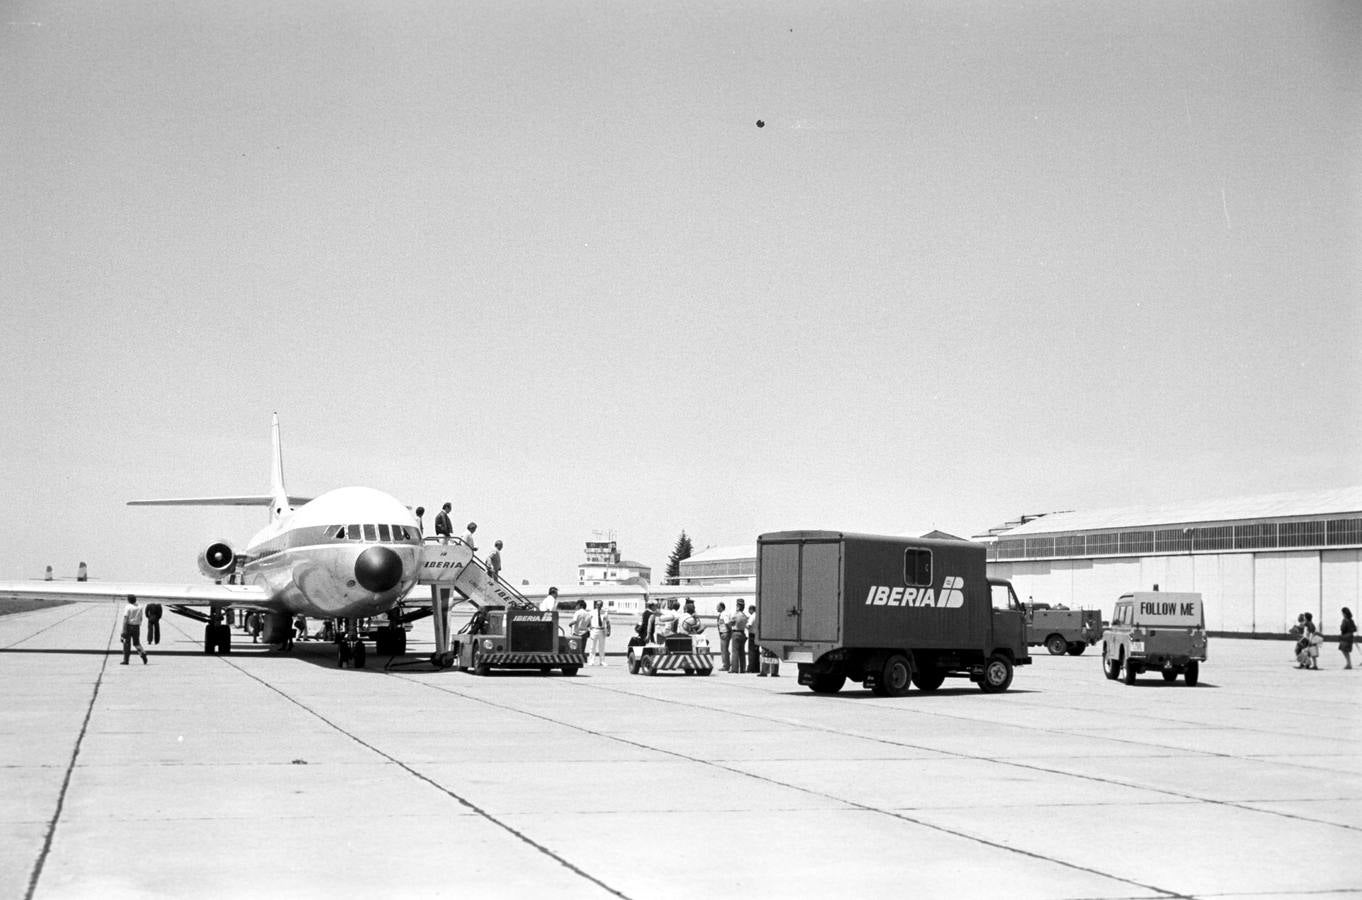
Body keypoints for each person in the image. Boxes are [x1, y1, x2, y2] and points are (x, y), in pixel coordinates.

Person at [121, 594, 148, 665]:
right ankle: (143, 654)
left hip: (129, 626)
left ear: (128, 600)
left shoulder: (128, 607)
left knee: (127, 643)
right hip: (136, 627)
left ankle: (126, 660)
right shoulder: (139, 607)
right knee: (136, 643)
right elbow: (141, 617)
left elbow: (125, 619)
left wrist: (123, 630)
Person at [588, 599, 612, 666]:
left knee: (602, 647)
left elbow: (608, 622)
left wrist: (609, 631)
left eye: (601, 605)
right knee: (592, 647)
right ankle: (591, 661)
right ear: (596, 605)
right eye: (598, 605)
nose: (599, 606)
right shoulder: (592, 612)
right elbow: (588, 620)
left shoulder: (605, 612)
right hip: (594, 630)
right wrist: (589, 628)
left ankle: (602, 661)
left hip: (602, 630)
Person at [728, 600, 748, 673]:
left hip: (736, 633)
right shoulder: (744, 616)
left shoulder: (736, 615)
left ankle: (734, 668)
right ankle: (743, 668)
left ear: (738, 606)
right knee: (742, 652)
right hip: (743, 633)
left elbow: (730, 623)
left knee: (735, 651)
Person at [715, 601, 731, 670]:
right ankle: (727, 663)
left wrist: (728, 631)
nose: (716, 609)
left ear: (721, 607)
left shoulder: (724, 614)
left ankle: (726, 665)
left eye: (717, 607)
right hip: (722, 633)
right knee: (724, 650)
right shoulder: (721, 614)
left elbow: (727, 623)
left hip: (725, 633)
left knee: (724, 650)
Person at [747, 604, 760, 673]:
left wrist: (746, 627)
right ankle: (757, 668)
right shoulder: (758, 616)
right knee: (756, 652)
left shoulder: (752, 616)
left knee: (751, 652)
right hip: (757, 635)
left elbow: (749, 625)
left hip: (752, 635)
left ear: (751, 610)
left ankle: (751, 668)